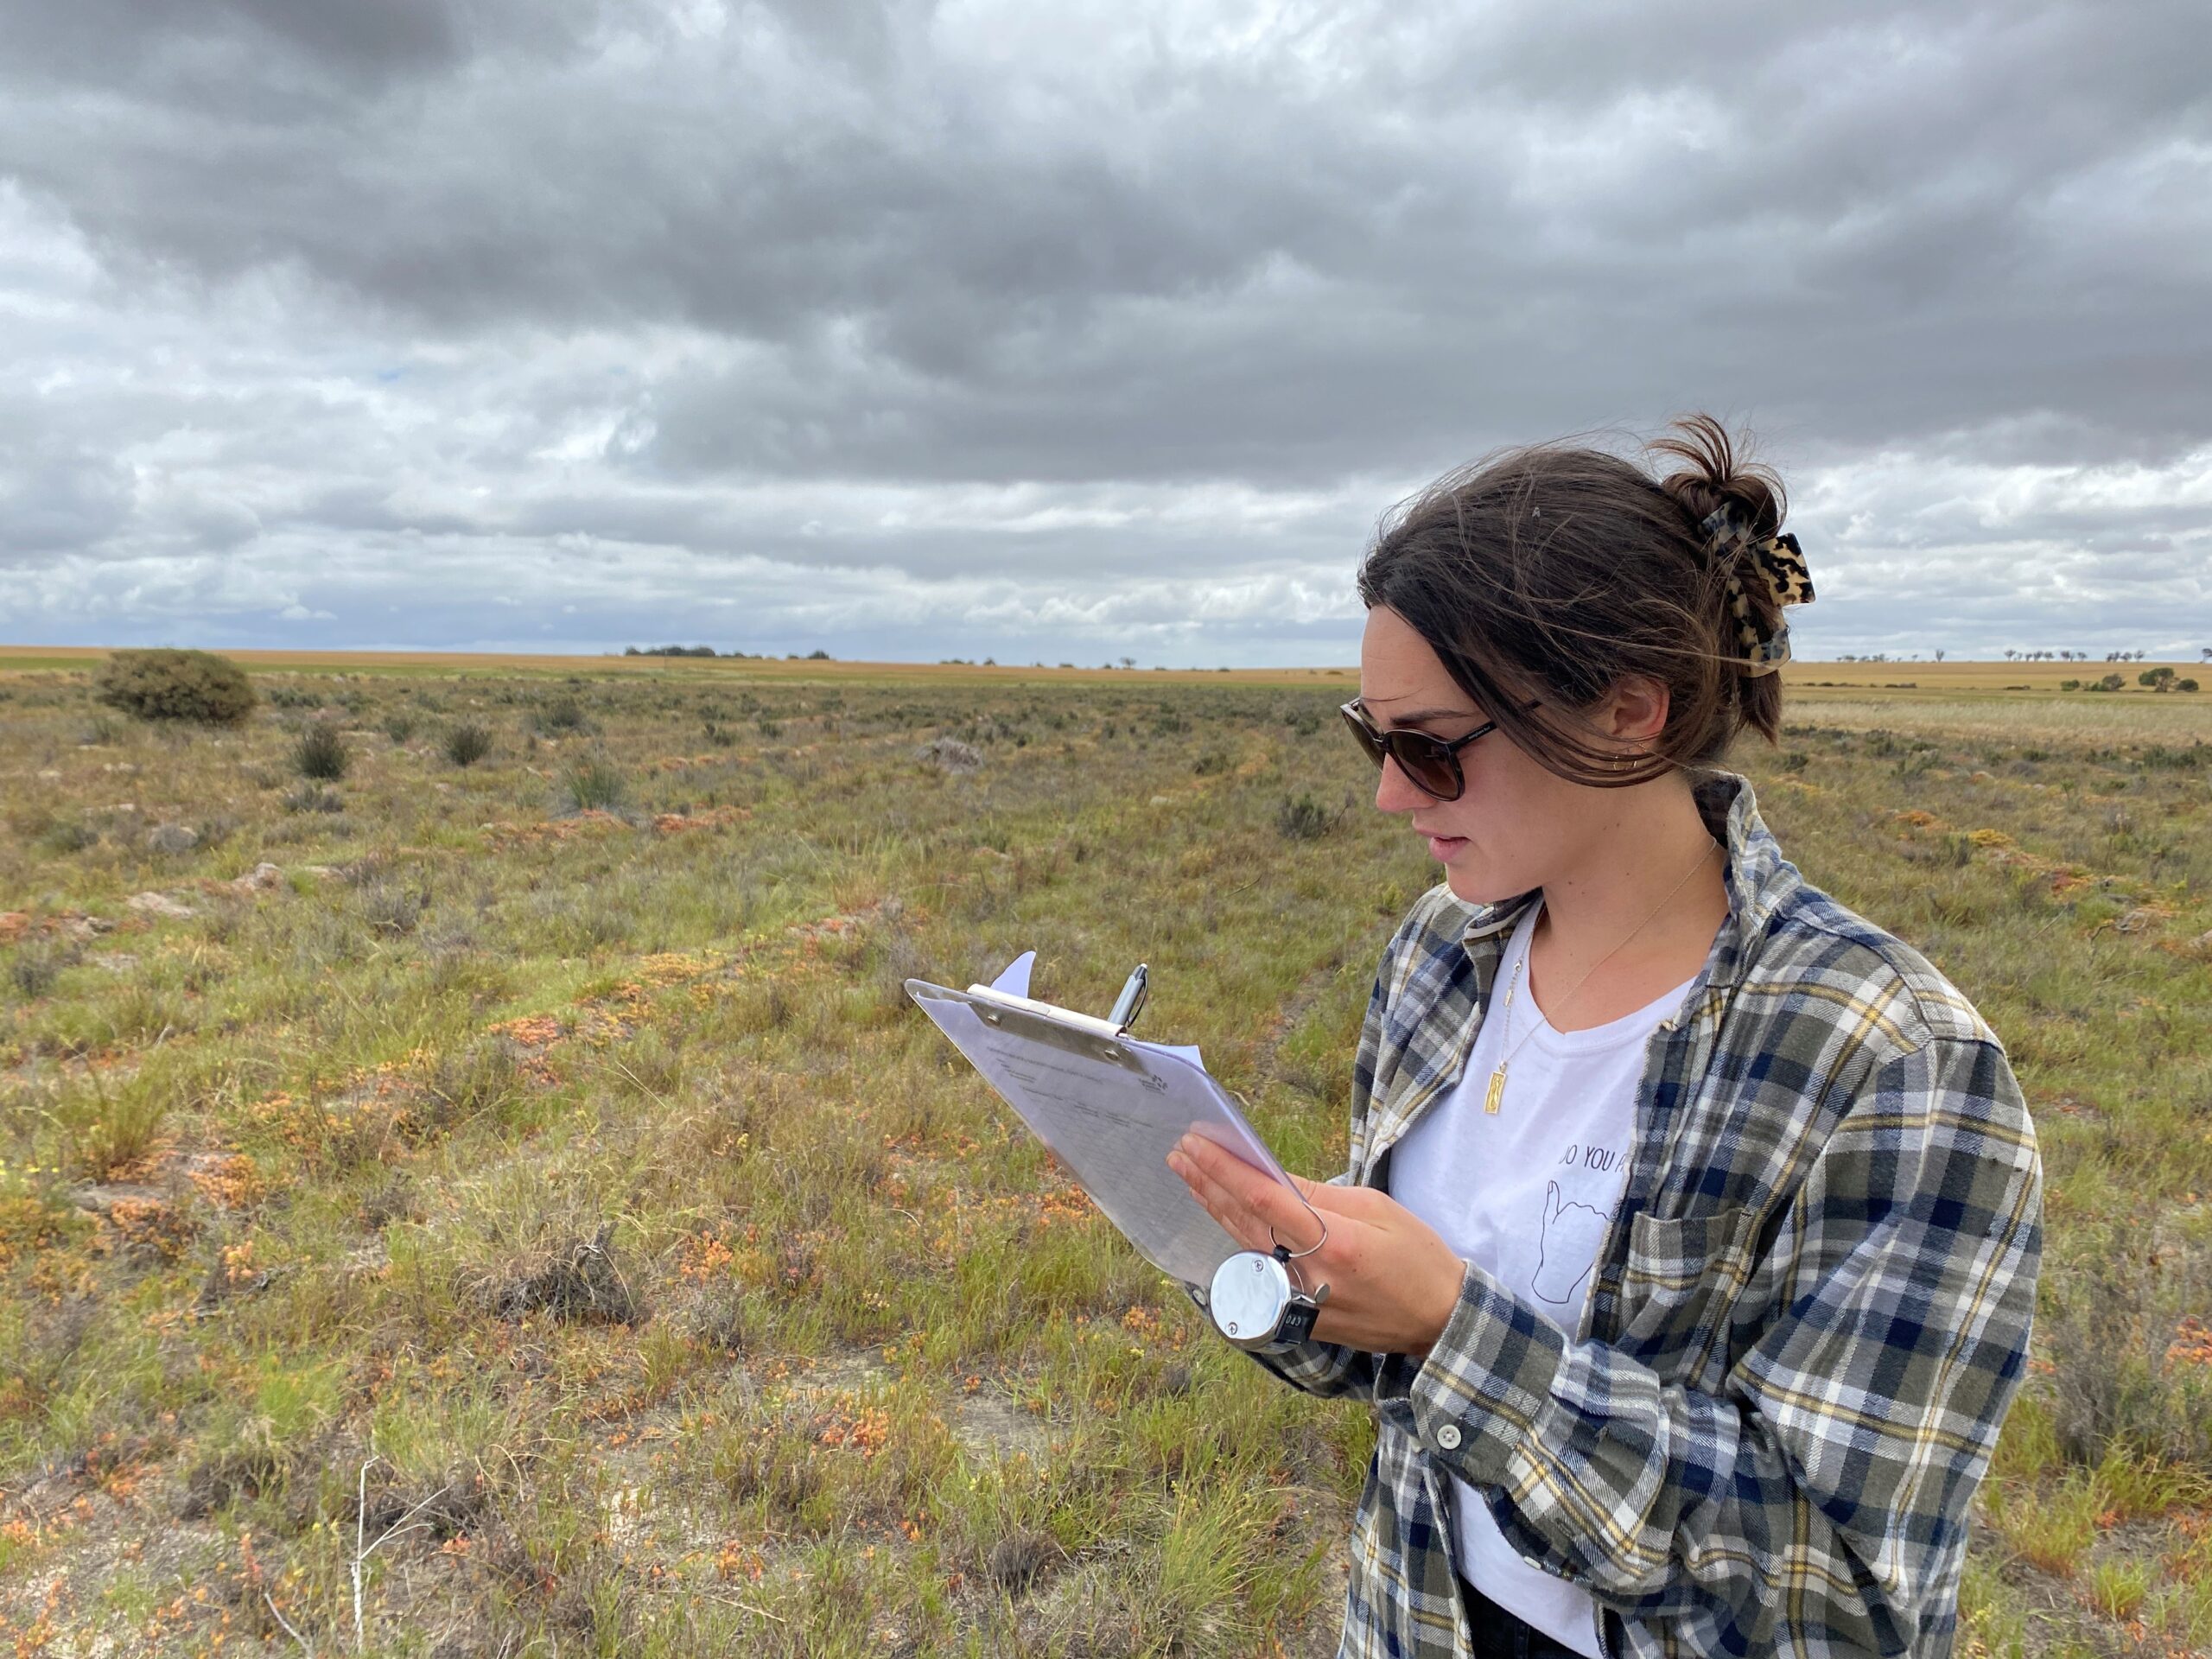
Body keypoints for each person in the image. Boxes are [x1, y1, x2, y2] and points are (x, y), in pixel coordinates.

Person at [1166, 416, 2043, 1659]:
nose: (1388, 793)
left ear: (1632, 710)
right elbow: (1394, 1390)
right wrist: (1268, 1263)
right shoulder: (1438, 960)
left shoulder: (1892, 1069)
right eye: (1375, 735)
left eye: (1431, 747)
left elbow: (1840, 1600)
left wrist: (1450, 1329)